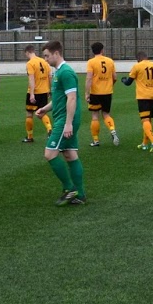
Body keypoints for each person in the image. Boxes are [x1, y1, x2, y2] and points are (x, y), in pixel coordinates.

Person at [41, 40, 86, 205]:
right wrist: (45, 109)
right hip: (63, 117)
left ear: (56, 53)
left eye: (47, 56)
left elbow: (72, 98)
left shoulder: (66, 72)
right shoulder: (58, 72)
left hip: (66, 119)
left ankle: (69, 188)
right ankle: (80, 194)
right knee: (70, 154)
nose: (45, 59)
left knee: (50, 154)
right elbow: (60, 99)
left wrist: (68, 124)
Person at [83, 42, 118, 148]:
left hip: (95, 93)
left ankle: (96, 140)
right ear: (102, 50)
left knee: (95, 116)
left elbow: (89, 78)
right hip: (107, 92)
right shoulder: (110, 61)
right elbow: (115, 77)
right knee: (106, 114)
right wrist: (109, 85)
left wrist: (86, 93)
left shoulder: (91, 62)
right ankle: (112, 131)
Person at [22, 44, 53, 142]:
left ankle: (30, 137)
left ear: (27, 52)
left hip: (35, 92)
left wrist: (31, 94)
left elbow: (31, 79)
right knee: (42, 112)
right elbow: (50, 76)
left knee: (29, 114)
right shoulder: (44, 61)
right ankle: (49, 129)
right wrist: (50, 89)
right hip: (44, 91)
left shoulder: (30, 63)